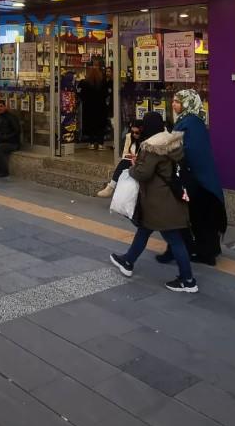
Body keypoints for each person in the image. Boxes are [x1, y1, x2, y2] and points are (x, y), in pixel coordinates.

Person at [108, 111, 199, 293]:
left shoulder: (152, 146)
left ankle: (188, 280)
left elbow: (143, 173)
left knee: (173, 239)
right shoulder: (172, 142)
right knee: (144, 229)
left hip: (159, 201)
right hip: (171, 197)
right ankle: (128, 261)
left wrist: (133, 167)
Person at [158, 89, 226, 267]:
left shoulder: (190, 123)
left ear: (188, 103)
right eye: (173, 101)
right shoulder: (191, 120)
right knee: (199, 218)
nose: (174, 104)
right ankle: (204, 251)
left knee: (198, 218)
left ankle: (201, 253)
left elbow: (188, 151)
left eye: (178, 101)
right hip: (200, 179)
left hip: (198, 181)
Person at [96, 119, 143, 199]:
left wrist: (136, 158)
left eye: (137, 132)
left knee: (124, 163)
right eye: (132, 132)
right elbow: (125, 153)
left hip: (140, 163)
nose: (134, 134)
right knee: (124, 161)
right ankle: (110, 187)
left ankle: (110, 187)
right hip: (131, 162)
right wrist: (130, 156)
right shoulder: (129, 137)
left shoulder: (145, 141)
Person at [79, 66, 107, 150]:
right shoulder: (102, 82)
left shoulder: (85, 83)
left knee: (91, 125)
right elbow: (106, 94)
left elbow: (81, 94)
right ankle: (100, 143)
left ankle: (91, 143)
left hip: (89, 107)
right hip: (100, 107)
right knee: (100, 126)